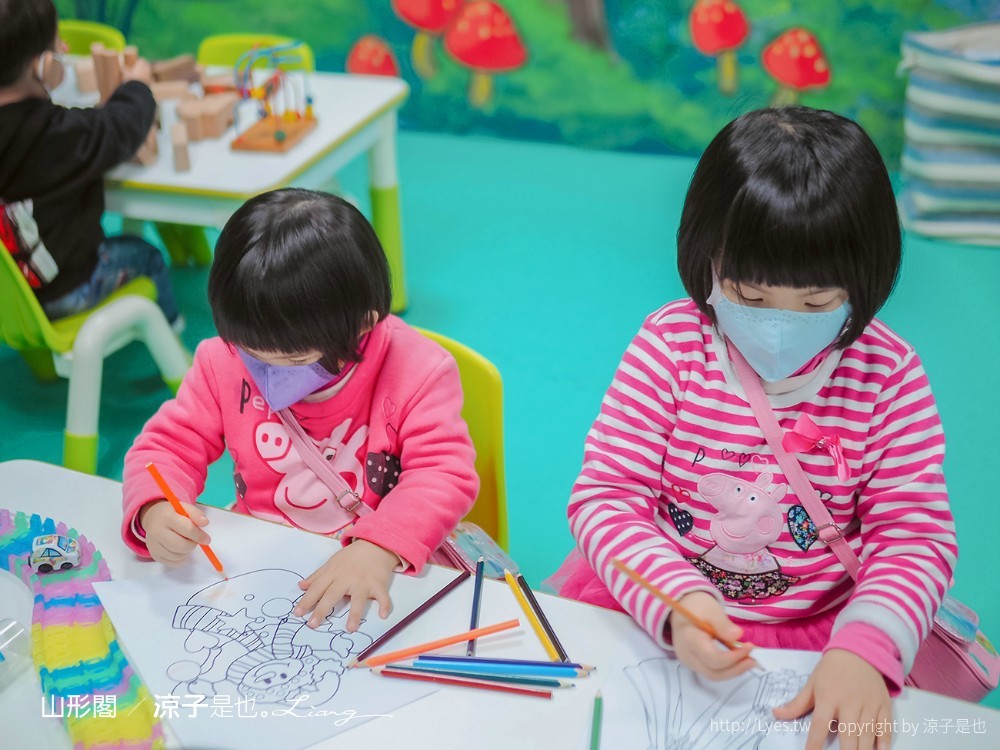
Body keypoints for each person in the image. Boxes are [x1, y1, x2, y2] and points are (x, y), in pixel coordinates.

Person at [554, 107, 956, 750]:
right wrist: (678, 605)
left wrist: (865, 648)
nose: (779, 324)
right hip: (661, 603)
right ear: (705, 257)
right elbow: (607, 498)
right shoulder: (670, 347)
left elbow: (911, 536)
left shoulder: (888, 375)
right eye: (749, 294)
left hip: (825, 631)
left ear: (865, 280)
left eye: (818, 304)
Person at [121, 188, 478, 631]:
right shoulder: (222, 360)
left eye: (291, 361)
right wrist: (156, 508)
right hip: (265, 563)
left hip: (383, 566)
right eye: (251, 353)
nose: (265, 373)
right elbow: (166, 447)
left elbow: (443, 474)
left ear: (362, 323)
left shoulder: (418, 370)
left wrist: (378, 548)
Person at [0, 0, 178, 325]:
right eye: (58, 43)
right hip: (64, 288)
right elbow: (119, 127)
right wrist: (137, 84)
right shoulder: (51, 135)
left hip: (11, 297)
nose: (65, 47)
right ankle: (172, 337)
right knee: (148, 256)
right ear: (41, 66)